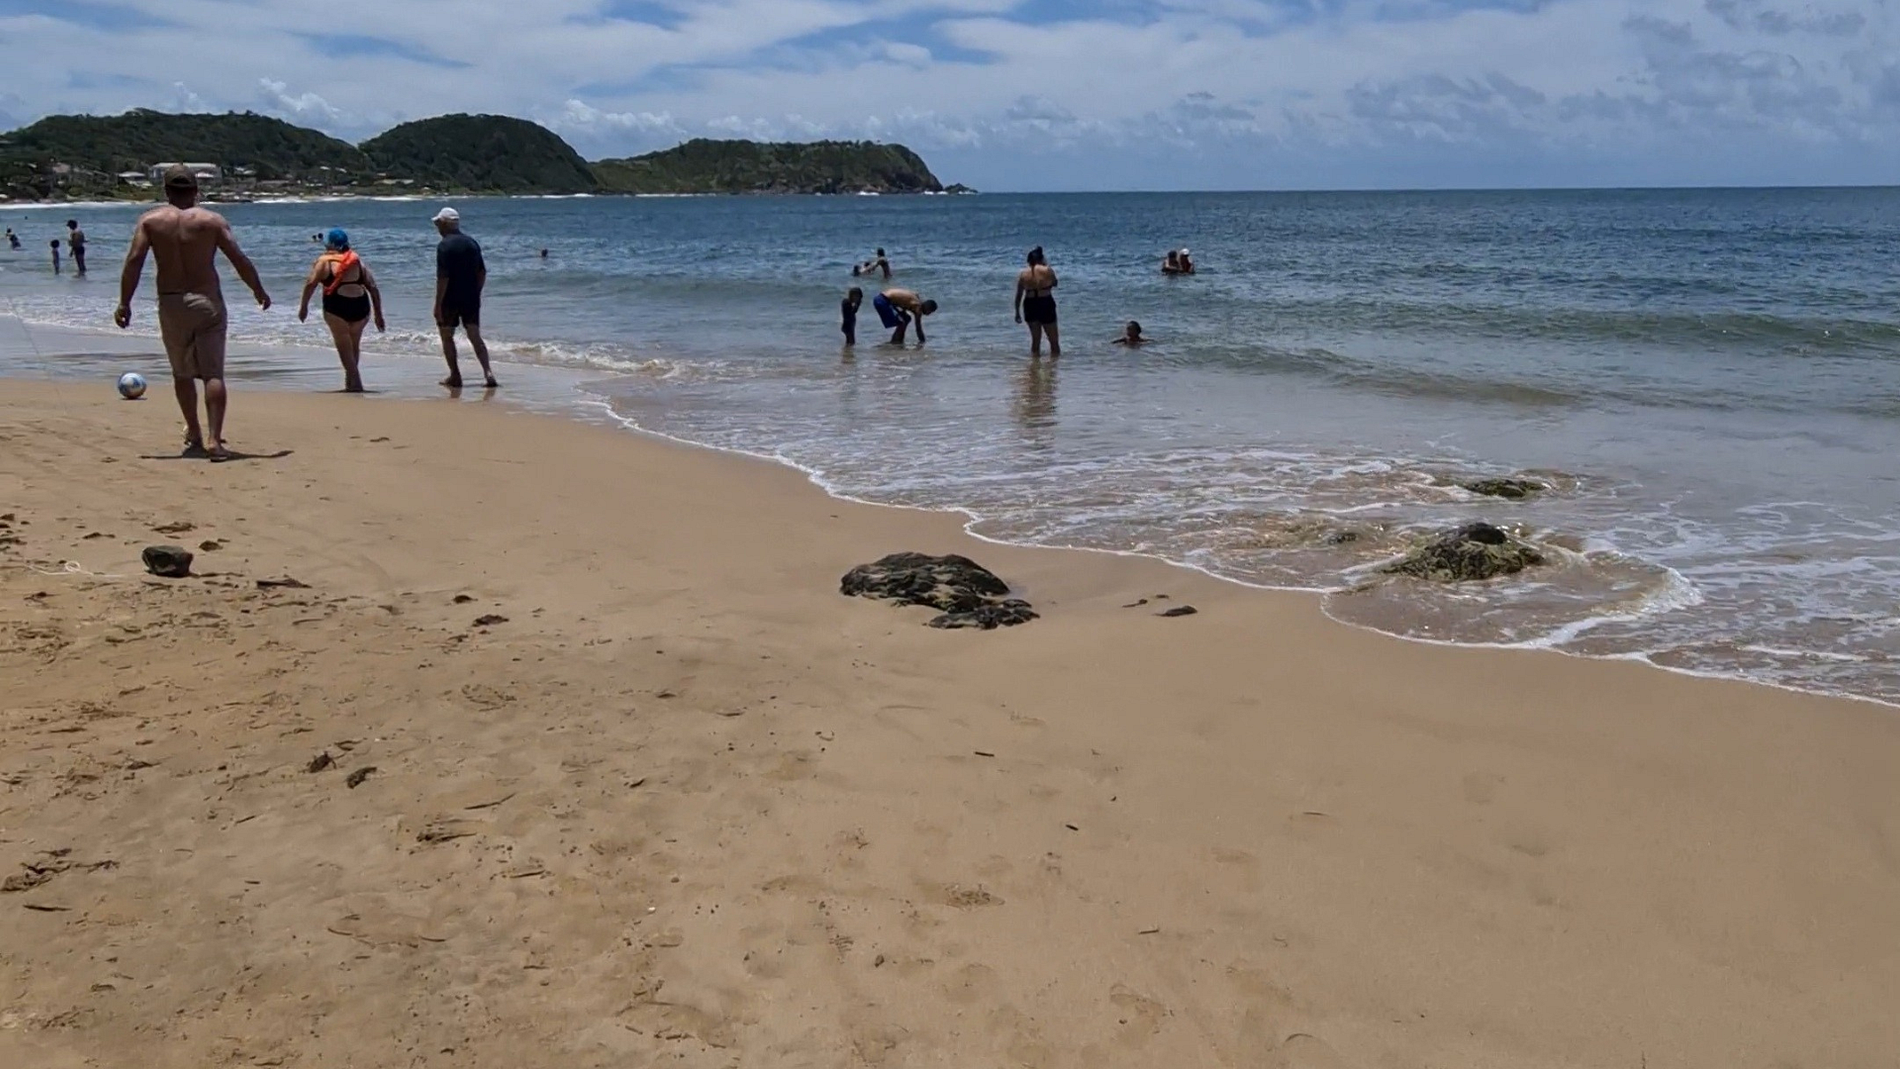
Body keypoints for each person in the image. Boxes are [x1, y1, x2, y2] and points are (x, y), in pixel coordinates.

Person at [114, 164, 272, 461]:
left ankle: (195, 434)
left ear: (166, 191)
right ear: (196, 191)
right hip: (207, 301)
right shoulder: (211, 221)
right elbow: (238, 258)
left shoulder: (150, 221)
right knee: (213, 374)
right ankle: (214, 440)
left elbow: (134, 261)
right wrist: (258, 290)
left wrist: (125, 302)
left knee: (182, 374)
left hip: (171, 303)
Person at [297, 227, 384, 393]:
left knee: (343, 346)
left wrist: (303, 307)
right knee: (353, 346)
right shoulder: (356, 260)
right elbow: (373, 287)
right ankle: (350, 382)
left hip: (336, 307)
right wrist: (378, 315)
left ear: (329, 244)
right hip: (361, 307)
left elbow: (310, 284)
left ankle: (356, 382)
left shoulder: (324, 262)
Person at [431, 207, 497, 389]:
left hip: (450, 298)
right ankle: (488, 372)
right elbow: (482, 272)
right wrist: (477, 293)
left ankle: (455, 375)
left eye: (438, 224)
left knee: (446, 336)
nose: (437, 228)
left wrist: (437, 304)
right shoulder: (472, 243)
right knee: (475, 335)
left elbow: (443, 278)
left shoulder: (444, 246)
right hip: (470, 297)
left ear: (444, 224)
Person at [1013, 245, 1060, 358]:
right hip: (1045, 302)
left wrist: (1017, 312)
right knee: (1053, 341)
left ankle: (1034, 365)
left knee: (1035, 340)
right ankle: (1054, 366)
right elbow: (1055, 283)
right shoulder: (1047, 270)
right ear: (1041, 258)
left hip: (1030, 304)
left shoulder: (1023, 274)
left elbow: (1019, 295)